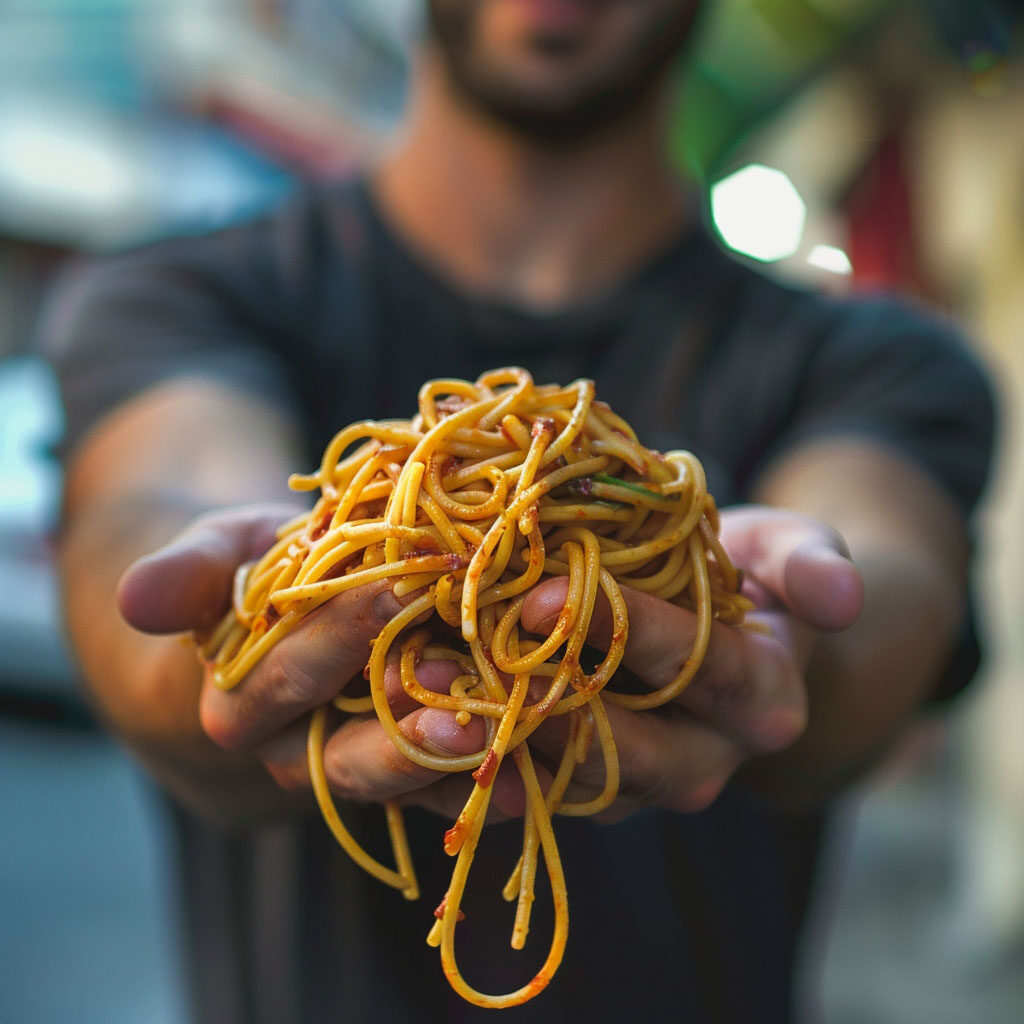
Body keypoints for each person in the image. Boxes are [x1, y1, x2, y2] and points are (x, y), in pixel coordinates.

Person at [40, 1, 995, 1021]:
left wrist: (793, 648)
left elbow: (884, 584)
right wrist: (239, 630)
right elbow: (161, 509)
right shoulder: (183, 292)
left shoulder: (875, 363)